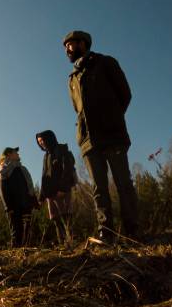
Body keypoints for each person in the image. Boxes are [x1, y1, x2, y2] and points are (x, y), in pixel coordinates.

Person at [64, 30, 139, 244]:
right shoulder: (72, 79)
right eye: (65, 47)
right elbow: (77, 108)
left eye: (70, 44)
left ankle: (133, 231)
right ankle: (106, 233)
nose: (67, 49)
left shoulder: (105, 63)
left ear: (83, 43)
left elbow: (125, 94)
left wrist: (111, 117)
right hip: (88, 141)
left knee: (123, 182)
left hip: (112, 135)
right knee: (99, 188)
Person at [35, 130, 77, 245]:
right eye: (39, 142)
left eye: (42, 140)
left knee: (66, 218)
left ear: (49, 139)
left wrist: (62, 189)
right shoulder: (46, 156)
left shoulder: (62, 150)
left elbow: (68, 169)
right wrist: (41, 198)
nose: (41, 143)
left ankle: (71, 243)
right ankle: (63, 244)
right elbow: (44, 177)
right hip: (50, 194)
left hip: (62, 191)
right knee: (56, 219)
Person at [0, 147, 38, 248]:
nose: (18, 154)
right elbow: (2, 188)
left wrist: (34, 201)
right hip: (14, 207)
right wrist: (8, 206)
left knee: (27, 231)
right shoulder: (3, 169)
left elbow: (29, 186)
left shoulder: (21, 168)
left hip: (26, 204)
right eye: (16, 152)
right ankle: (16, 252)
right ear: (9, 155)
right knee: (16, 232)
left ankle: (26, 251)